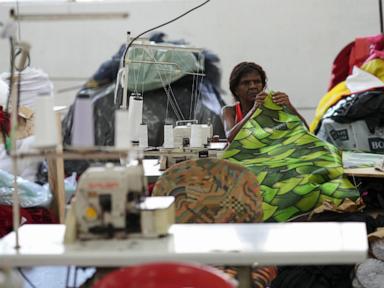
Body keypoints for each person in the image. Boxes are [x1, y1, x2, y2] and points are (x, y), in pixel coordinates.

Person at [222, 62, 308, 142]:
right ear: (235, 90)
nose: (253, 86)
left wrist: (289, 107)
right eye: (246, 83)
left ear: (263, 86)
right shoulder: (229, 111)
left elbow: (306, 131)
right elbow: (230, 137)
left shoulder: (275, 106)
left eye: (257, 82)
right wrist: (253, 110)